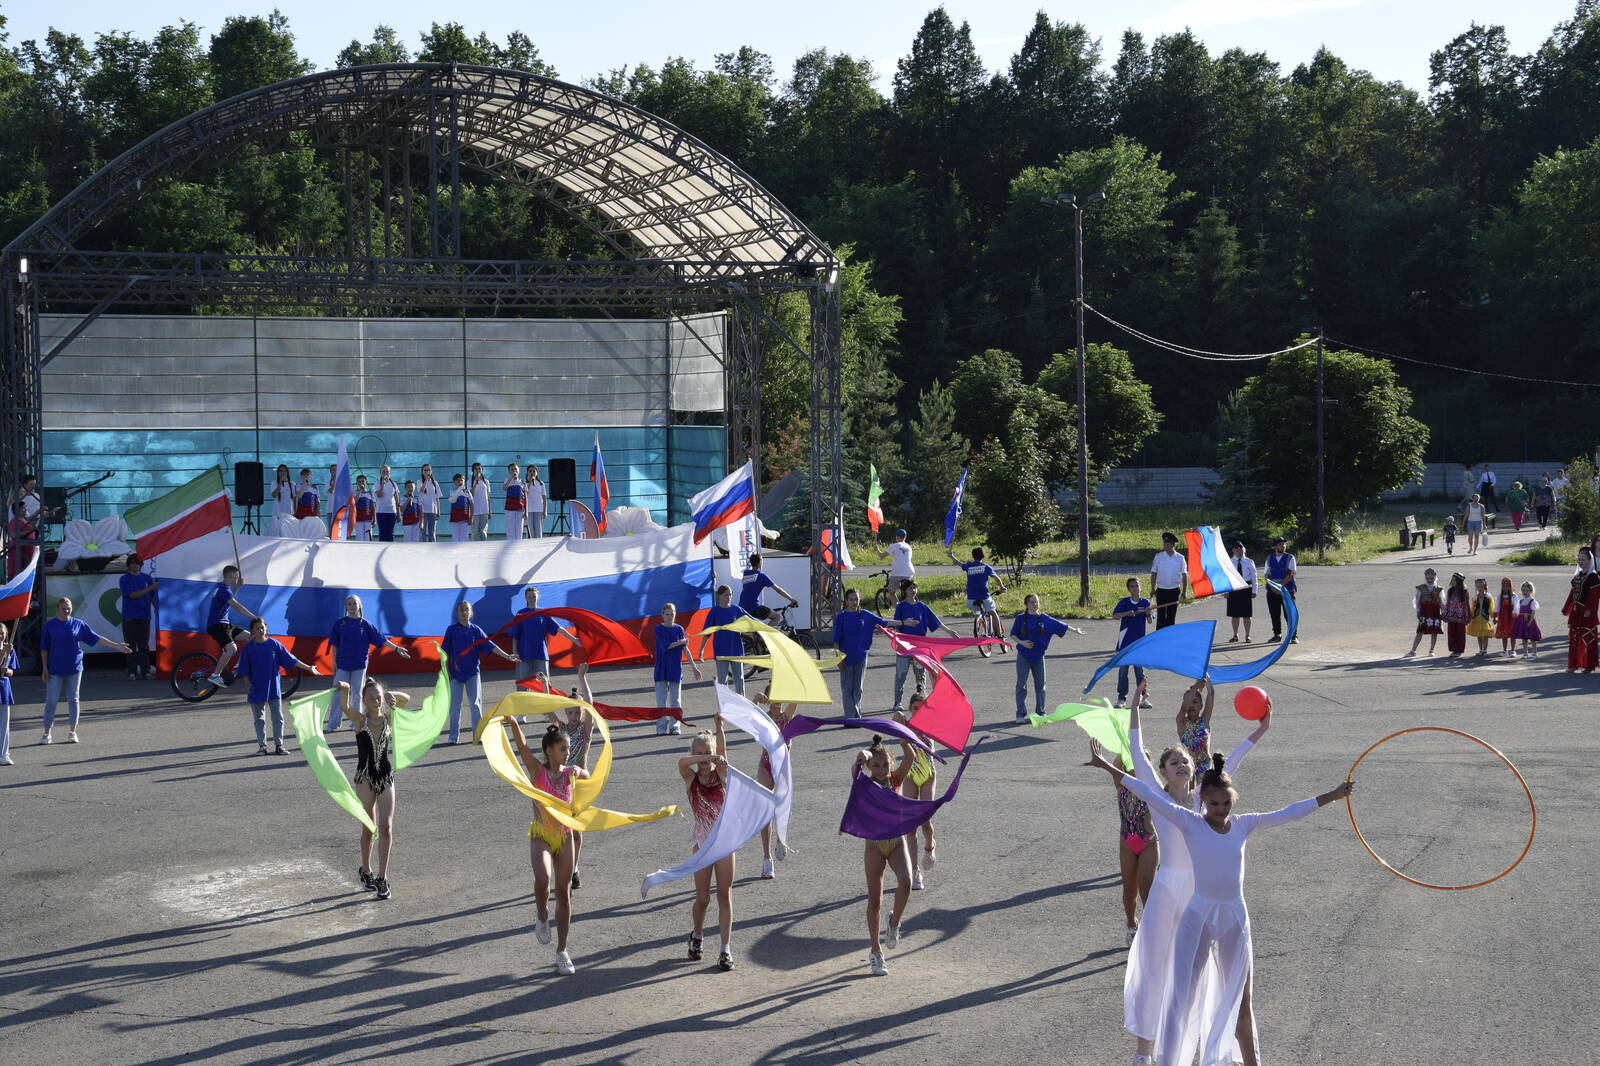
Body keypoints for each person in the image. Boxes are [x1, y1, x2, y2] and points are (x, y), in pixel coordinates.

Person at [1085, 741, 1353, 1066]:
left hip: (1234, 918)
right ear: (1204, 801)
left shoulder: (1243, 824)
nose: (1221, 809)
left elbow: (1288, 812)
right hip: (1197, 917)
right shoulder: (1190, 822)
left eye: (1226, 803)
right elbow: (1149, 793)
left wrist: (1333, 795)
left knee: (1242, 1001)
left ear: (1232, 801)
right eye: (1214, 803)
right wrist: (1109, 768)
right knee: (1181, 998)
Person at [1108, 686, 1272, 1066]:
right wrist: (1134, 708)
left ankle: (1206, 1051)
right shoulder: (1159, 797)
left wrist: (1260, 731)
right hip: (1168, 891)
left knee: (1206, 976)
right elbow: (1136, 753)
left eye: (1185, 760)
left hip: (1201, 895)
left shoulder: (1204, 800)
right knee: (1154, 968)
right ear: (1163, 773)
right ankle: (1143, 1054)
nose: (1182, 765)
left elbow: (1232, 762)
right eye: (1174, 763)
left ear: (1193, 768)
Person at [503, 715, 591, 975]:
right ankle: (541, 914)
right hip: (541, 834)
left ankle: (562, 951)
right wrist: (515, 724)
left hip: (564, 836)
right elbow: (521, 748)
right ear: (549, 751)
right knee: (543, 877)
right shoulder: (537, 771)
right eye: (563, 749)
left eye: (567, 749)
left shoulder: (569, 773)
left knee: (564, 893)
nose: (567, 753)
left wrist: (580, 771)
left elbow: (589, 776)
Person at [335, 677, 409, 901]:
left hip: (386, 777)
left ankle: (382, 877)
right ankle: (365, 870)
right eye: (372, 698)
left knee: (385, 827)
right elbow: (344, 707)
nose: (377, 701)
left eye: (379, 697)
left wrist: (390, 695)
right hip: (365, 779)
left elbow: (406, 700)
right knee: (369, 828)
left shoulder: (389, 716)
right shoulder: (360, 720)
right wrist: (346, 690)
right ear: (364, 701)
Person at [855, 734, 917, 977]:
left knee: (907, 882)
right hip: (874, 846)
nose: (881, 770)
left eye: (885, 765)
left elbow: (910, 757)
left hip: (896, 842)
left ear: (891, 763)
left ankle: (894, 923)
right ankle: (876, 952)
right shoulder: (864, 783)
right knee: (875, 900)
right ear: (870, 766)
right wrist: (862, 758)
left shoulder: (896, 778)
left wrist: (904, 739)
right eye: (876, 765)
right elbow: (855, 771)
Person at [679, 714, 736, 971]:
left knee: (724, 895)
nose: (705, 759)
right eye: (699, 754)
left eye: (708, 752)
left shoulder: (722, 773)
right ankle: (697, 936)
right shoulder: (691, 779)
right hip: (702, 844)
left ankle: (725, 949)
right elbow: (681, 762)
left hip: (724, 844)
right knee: (702, 899)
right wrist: (705, 756)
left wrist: (719, 729)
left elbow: (723, 753)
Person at [39, 596, 130, 745]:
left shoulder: (78, 624)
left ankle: (72, 732)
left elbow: (96, 638)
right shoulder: (49, 625)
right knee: (51, 701)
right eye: (63, 608)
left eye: (68, 608)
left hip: (74, 668)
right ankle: (46, 733)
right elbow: (44, 649)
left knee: (73, 699)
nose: (66, 611)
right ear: (57, 609)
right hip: (54, 669)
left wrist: (117, 646)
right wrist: (44, 668)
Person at [543, 665, 596, 890]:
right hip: (562, 783)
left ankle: (574, 868)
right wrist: (545, 684)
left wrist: (581, 677)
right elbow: (548, 710)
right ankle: (564, 866)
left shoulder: (585, 731)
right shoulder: (562, 728)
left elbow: (591, 706)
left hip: (580, 784)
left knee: (576, 829)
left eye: (577, 712)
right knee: (560, 828)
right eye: (570, 712)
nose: (573, 716)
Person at [326, 595, 412, 730]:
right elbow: (334, 645)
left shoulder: (365, 624)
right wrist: (334, 663)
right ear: (345, 607)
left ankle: (356, 722)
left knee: (357, 694)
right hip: (342, 665)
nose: (352, 606)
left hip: (359, 666)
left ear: (359, 605)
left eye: (354, 603)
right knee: (338, 694)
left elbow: (381, 639)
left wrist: (396, 648)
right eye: (348, 604)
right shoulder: (340, 624)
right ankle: (333, 723)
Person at [236, 617, 319, 755]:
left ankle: (279, 745)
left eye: (262, 627)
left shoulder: (274, 644)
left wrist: (309, 668)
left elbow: (291, 659)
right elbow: (244, 668)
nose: (260, 630)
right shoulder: (249, 648)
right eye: (257, 628)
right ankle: (262, 746)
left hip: (273, 687)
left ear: (266, 628)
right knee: (259, 718)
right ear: (252, 631)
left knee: (277, 717)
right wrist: (247, 682)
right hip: (256, 687)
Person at [441, 600, 518, 743]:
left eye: (466, 610)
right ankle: (453, 737)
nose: (464, 613)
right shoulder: (451, 630)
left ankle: (478, 735)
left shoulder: (476, 630)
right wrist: (446, 672)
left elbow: (490, 645)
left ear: (470, 613)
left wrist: (507, 655)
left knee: (475, 705)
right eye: (461, 610)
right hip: (455, 675)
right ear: (457, 613)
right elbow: (444, 653)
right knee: (454, 707)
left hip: (472, 673)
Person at [1009, 592, 1081, 722]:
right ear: (1026, 604)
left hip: (1038, 657)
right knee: (1021, 684)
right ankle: (1020, 714)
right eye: (1031, 602)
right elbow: (1013, 634)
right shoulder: (1020, 618)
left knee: (1041, 685)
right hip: (1024, 656)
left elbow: (1060, 624)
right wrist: (1022, 642)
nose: (1034, 604)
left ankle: (1040, 712)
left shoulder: (1044, 618)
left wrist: (1075, 630)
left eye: (1036, 601)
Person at [894, 701, 939, 890]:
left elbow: (928, 745)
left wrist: (911, 730)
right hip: (911, 775)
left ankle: (929, 847)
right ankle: (914, 871)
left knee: (925, 822)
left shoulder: (930, 726)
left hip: (927, 775)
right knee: (911, 827)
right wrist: (899, 726)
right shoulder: (907, 727)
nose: (918, 711)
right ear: (911, 709)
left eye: (922, 708)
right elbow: (904, 747)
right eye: (915, 708)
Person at [752, 688, 795, 877]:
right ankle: (767, 858)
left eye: (780, 694)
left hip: (782, 768)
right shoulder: (763, 716)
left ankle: (781, 837)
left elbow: (797, 695)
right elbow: (748, 718)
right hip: (765, 765)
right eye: (773, 695)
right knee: (764, 809)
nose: (777, 700)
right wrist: (755, 701)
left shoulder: (787, 715)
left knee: (781, 807)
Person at [832, 588, 893, 718]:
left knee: (858, 688)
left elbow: (884, 622)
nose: (854, 602)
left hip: (861, 656)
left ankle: (856, 714)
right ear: (846, 601)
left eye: (856, 599)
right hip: (845, 658)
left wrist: (904, 622)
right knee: (847, 688)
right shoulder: (841, 617)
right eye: (851, 599)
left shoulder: (865, 614)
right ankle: (850, 716)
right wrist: (838, 659)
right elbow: (836, 641)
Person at [890, 580, 950, 711]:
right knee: (901, 674)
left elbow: (936, 622)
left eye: (914, 588)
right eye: (910, 588)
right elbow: (896, 625)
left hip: (919, 645)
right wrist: (901, 632)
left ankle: (921, 699)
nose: (913, 590)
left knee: (920, 674)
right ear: (904, 591)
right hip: (904, 645)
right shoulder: (901, 606)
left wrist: (950, 632)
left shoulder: (922, 606)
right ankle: (897, 702)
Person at [511, 586, 580, 695]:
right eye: (529, 597)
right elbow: (515, 635)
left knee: (545, 683)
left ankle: (548, 710)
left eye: (534, 596)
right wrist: (515, 653)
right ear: (525, 598)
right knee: (522, 685)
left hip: (541, 654)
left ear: (538, 597)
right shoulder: (521, 614)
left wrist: (574, 639)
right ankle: (522, 712)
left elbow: (558, 628)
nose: (532, 599)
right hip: (524, 654)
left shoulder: (543, 613)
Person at [205, 565, 259, 687]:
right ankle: (215, 676)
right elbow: (237, 606)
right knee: (232, 649)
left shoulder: (223, 587)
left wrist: (237, 587)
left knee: (252, 637)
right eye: (236, 577)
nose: (237, 579)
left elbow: (228, 598)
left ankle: (239, 665)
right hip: (216, 626)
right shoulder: (223, 589)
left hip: (225, 624)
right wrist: (254, 618)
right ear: (230, 577)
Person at [653, 602, 702, 736]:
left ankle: (675, 726)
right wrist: (680, 642)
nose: (670, 617)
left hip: (675, 669)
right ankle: (661, 727)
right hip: (661, 670)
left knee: (676, 700)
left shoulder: (679, 629)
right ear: (662, 615)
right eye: (667, 614)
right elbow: (665, 646)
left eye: (672, 614)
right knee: (661, 700)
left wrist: (694, 667)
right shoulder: (658, 629)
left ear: (675, 615)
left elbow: (686, 649)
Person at [1111, 578, 1154, 709]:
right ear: (1129, 589)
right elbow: (1115, 615)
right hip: (1125, 641)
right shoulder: (1124, 602)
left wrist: (1147, 614)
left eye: (1137, 586)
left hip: (1139, 642)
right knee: (1123, 671)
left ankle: (1142, 697)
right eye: (1132, 586)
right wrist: (1126, 613)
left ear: (1140, 587)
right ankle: (1121, 699)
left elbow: (1151, 620)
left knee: (1139, 671)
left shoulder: (1145, 602)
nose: (1135, 588)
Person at [701, 584, 751, 696]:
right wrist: (701, 650)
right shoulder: (715, 611)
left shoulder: (736, 610)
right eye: (726, 595)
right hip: (721, 651)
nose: (728, 597)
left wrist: (767, 628)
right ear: (719, 595)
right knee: (722, 681)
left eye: (730, 595)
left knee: (739, 679)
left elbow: (751, 621)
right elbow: (707, 632)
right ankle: (724, 707)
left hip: (736, 651)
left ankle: (742, 705)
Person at [948, 545, 1007, 638]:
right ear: (983, 556)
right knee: (993, 612)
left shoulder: (969, 566)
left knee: (980, 613)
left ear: (973, 556)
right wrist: (1001, 587)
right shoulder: (985, 567)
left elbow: (958, 563)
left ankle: (982, 624)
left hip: (971, 598)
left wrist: (951, 556)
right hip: (984, 595)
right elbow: (996, 578)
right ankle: (1000, 635)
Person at [1561, 547, 1599, 674]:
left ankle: (1589, 666)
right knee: (1574, 637)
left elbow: (1594, 596)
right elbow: (1573, 594)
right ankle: (1573, 665)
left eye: (1583, 559)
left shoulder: (1593, 577)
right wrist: (1567, 608)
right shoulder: (1577, 577)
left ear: (1590, 561)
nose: (1580, 561)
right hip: (1576, 612)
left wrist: (1590, 610)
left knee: (1588, 638)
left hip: (1587, 612)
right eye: (1579, 559)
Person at [119, 554, 158, 680]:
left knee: (143, 645)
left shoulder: (147, 578)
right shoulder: (124, 578)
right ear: (129, 565)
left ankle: (145, 671)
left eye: (137, 563)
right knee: (130, 645)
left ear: (141, 565)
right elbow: (132, 595)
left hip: (144, 616)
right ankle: (132, 671)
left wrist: (158, 608)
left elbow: (152, 596)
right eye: (132, 563)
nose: (135, 565)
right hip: (129, 616)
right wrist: (150, 588)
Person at [738, 553, 798, 622]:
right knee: (777, 617)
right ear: (760, 563)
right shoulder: (762, 576)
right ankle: (764, 633)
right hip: (753, 608)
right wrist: (792, 599)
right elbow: (778, 589)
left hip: (742, 607)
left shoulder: (746, 573)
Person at [1148, 532, 1188, 630]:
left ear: (1173, 545)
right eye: (1164, 544)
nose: (1165, 546)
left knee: (1171, 616)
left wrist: (1184, 591)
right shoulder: (1158, 557)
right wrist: (1153, 588)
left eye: (1168, 544)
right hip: (1161, 590)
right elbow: (1154, 573)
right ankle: (1159, 637)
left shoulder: (1180, 558)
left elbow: (1184, 575)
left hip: (1174, 590)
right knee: (1161, 616)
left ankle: (1169, 638)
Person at [1263, 537, 1298, 642]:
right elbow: (1266, 575)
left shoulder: (1290, 557)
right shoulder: (1269, 558)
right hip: (1272, 591)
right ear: (1275, 546)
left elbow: (1291, 574)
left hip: (1287, 590)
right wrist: (1273, 587)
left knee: (1289, 613)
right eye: (1280, 544)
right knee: (1274, 614)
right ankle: (1277, 635)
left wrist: (1280, 586)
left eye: (1284, 544)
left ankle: (1293, 636)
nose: (1283, 546)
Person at [1176, 677, 1215, 765]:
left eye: (1195, 702)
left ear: (1201, 705)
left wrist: (1205, 674)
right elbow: (1184, 707)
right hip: (1189, 767)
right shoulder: (1181, 722)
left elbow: (1211, 693)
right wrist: (1195, 687)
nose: (1191, 705)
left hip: (1206, 767)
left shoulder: (1204, 720)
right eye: (1189, 702)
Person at [1225, 541, 1257, 642]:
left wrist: (1254, 590)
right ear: (1233, 550)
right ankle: (1235, 635)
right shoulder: (1228, 562)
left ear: (1244, 550)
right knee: (1235, 614)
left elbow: (1254, 577)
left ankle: (1248, 635)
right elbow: (1225, 578)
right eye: (1237, 549)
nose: (1240, 551)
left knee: (1246, 614)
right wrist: (1226, 591)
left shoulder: (1249, 561)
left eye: (1241, 549)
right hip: (1233, 589)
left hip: (1246, 589)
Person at [1406, 568, 1442, 657]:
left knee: (1434, 631)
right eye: (1428, 578)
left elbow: (1442, 602)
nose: (1430, 580)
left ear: (1435, 577)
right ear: (1425, 577)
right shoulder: (1421, 588)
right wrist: (1418, 611)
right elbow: (1417, 601)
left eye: (1432, 578)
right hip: (1424, 611)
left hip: (1435, 612)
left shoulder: (1439, 589)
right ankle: (1413, 650)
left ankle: (1431, 650)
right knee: (1420, 631)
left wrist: (1443, 612)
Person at [875, 529, 915, 605]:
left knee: (891, 592)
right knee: (907, 591)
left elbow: (881, 556)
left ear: (896, 537)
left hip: (897, 573)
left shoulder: (894, 546)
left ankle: (898, 610)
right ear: (905, 537)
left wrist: (877, 550)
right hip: (909, 572)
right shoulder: (909, 547)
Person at [5, 500, 38, 579]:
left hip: (27, 552)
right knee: (20, 574)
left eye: (25, 507)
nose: (25, 509)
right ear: (17, 510)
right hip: (20, 552)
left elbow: (32, 517)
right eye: (23, 508)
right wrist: (30, 530)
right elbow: (13, 535)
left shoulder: (24, 520)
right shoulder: (14, 521)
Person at [0, 621, 17, 766]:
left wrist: (7, 671)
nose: (0, 636)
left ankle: (4, 754)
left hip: (4, 689)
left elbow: (12, 671)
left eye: (2, 633)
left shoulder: (10, 649)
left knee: (4, 725)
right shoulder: (5, 650)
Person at [1443, 572, 1470, 657]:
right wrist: (1445, 614)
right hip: (1451, 616)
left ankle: (1459, 650)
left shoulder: (1464, 592)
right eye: (1452, 580)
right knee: (1452, 633)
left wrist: (1467, 616)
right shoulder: (1450, 591)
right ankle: (1454, 649)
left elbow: (1466, 605)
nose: (1453, 581)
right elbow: (1447, 603)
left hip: (1460, 617)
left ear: (1459, 581)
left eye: (1455, 580)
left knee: (1460, 634)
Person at [1513, 581, 1542, 659]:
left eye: (1526, 590)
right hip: (1522, 621)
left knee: (1532, 638)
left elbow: (1533, 612)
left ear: (1531, 591)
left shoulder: (1532, 601)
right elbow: (1518, 611)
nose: (1524, 592)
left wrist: (1530, 621)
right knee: (1524, 638)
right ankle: (1525, 653)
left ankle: (1534, 652)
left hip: (1530, 620)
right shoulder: (1521, 601)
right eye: (1523, 590)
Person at [1467, 578, 1495, 656]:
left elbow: (1491, 608)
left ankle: (1485, 650)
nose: (1480, 589)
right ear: (1476, 588)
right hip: (1476, 618)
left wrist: (1494, 616)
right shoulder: (1475, 598)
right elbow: (1472, 608)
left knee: (1485, 634)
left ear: (1485, 587)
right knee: (1478, 635)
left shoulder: (1488, 598)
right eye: (1478, 587)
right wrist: (1471, 615)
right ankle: (1480, 649)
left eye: (1482, 587)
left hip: (1484, 618)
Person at [373, 464, 399, 542]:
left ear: (389, 473)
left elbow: (396, 499)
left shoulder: (394, 484)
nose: (385, 473)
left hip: (391, 511)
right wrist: (383, 485)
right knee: (382, 533)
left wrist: (399, 514)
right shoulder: (377, 484)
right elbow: (379, 495)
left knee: (390, 533)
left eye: (387, 471)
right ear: (380, 473)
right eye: (383, 471)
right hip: (381, 512)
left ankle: (390, 550)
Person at [417, 464, 443, 542]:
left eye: (429, 470)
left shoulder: (435, 483)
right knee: (423, 531)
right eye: (425, 470)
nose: (427, 471)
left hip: (433, 510)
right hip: (423, 511)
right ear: (422, 472)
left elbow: (437, 498)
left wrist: (438, 511)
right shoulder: (419, 482)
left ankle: (432, 549)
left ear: (431, 471)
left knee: (432, 532)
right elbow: (421, 490)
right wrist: (426, 481)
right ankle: (422, 548)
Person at [1494, 577, 1518, 656]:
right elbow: (1497, 607)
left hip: (1511, 619)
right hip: (1503, 618)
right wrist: (1495, 617)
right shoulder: (1499, 597)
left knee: (1512, 635)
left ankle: (1513, 650)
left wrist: (1515, 616)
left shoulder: (1514, 597)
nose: (1505, 588)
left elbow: (1516, 607)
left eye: (1507, 586)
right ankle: (1505, 651)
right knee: (1504, 635)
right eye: (1503, 586)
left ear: (1510, 586)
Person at [503, 462, 527, 541]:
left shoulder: (523, 482)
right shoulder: (507, 480)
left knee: (519, 529)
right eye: (512, 469)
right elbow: (504, 488)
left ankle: (518, 546)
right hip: (509, 508)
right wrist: (511, 479)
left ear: (519, 470)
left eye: (515, 469)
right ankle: (509, 544)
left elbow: (525, 497)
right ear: (509, 471)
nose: (514, 471)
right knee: (510, 529)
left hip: (520, 508)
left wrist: (526, 511)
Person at [469, 462, 492, 541]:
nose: (478, 470)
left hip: (484, 510)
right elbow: (470, 494)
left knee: (483, 531)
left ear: (482, 470)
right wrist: (475, 482)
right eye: (476, 469)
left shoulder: (486, 482)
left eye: (479, 468)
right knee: (475, 532)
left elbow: (488, 497)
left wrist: (490, 511)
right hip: (474, 511)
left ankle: (483, 549)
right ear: (473, 470)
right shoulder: (469, 481)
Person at [448, 474, 473, 542]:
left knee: (464, 538)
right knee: (455, 538)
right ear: (454, 482)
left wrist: (471, 517)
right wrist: (459, 489)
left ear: (464, 481)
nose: (460, 482)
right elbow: (453, 500)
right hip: (455, 518)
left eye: (461, 480)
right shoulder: (452, 491)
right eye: (458, 480)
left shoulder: (467, 492)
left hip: (465, 519)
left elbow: (472, 504)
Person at [526, 466, 548, 539]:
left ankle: (538, 547)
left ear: (537, 473)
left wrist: (545, 511)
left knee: (538, 530)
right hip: (528, 509)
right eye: (530, 471)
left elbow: (544, 498)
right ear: (527, 473)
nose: (532, 473)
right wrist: (530, 482)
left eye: (534, 471)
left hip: (538, 509)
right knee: (530, 530)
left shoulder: (541, 483)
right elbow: (525, 493)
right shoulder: (524, 483)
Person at [352, 475, 375, 540]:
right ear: (357, 483)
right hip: (358, 519)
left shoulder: (370, 493)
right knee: (359, 537)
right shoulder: (354, 492)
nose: (361, 483)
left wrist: (374, 519)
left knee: (368, 537)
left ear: (366, 482)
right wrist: (360, 491)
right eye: (359, 482)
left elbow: (373, 507)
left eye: (363, 481)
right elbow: (354, 502)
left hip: (368, 519)